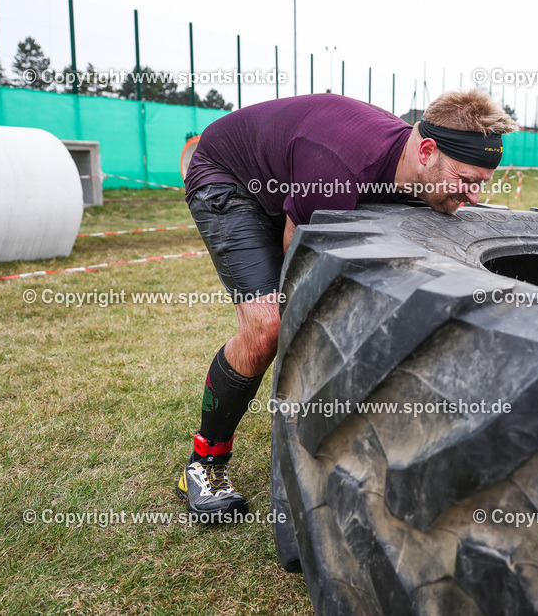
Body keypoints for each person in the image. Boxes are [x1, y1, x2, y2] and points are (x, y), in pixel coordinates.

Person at [177, 90, 517, 521]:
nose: (473, 196)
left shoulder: (410, 170)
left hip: (292, 179)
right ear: (426, 151)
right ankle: (204, 462)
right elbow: (299, 267)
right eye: (466, 180)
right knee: (270, 326)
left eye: (481, 183)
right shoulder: (340, 168)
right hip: (229, 176)